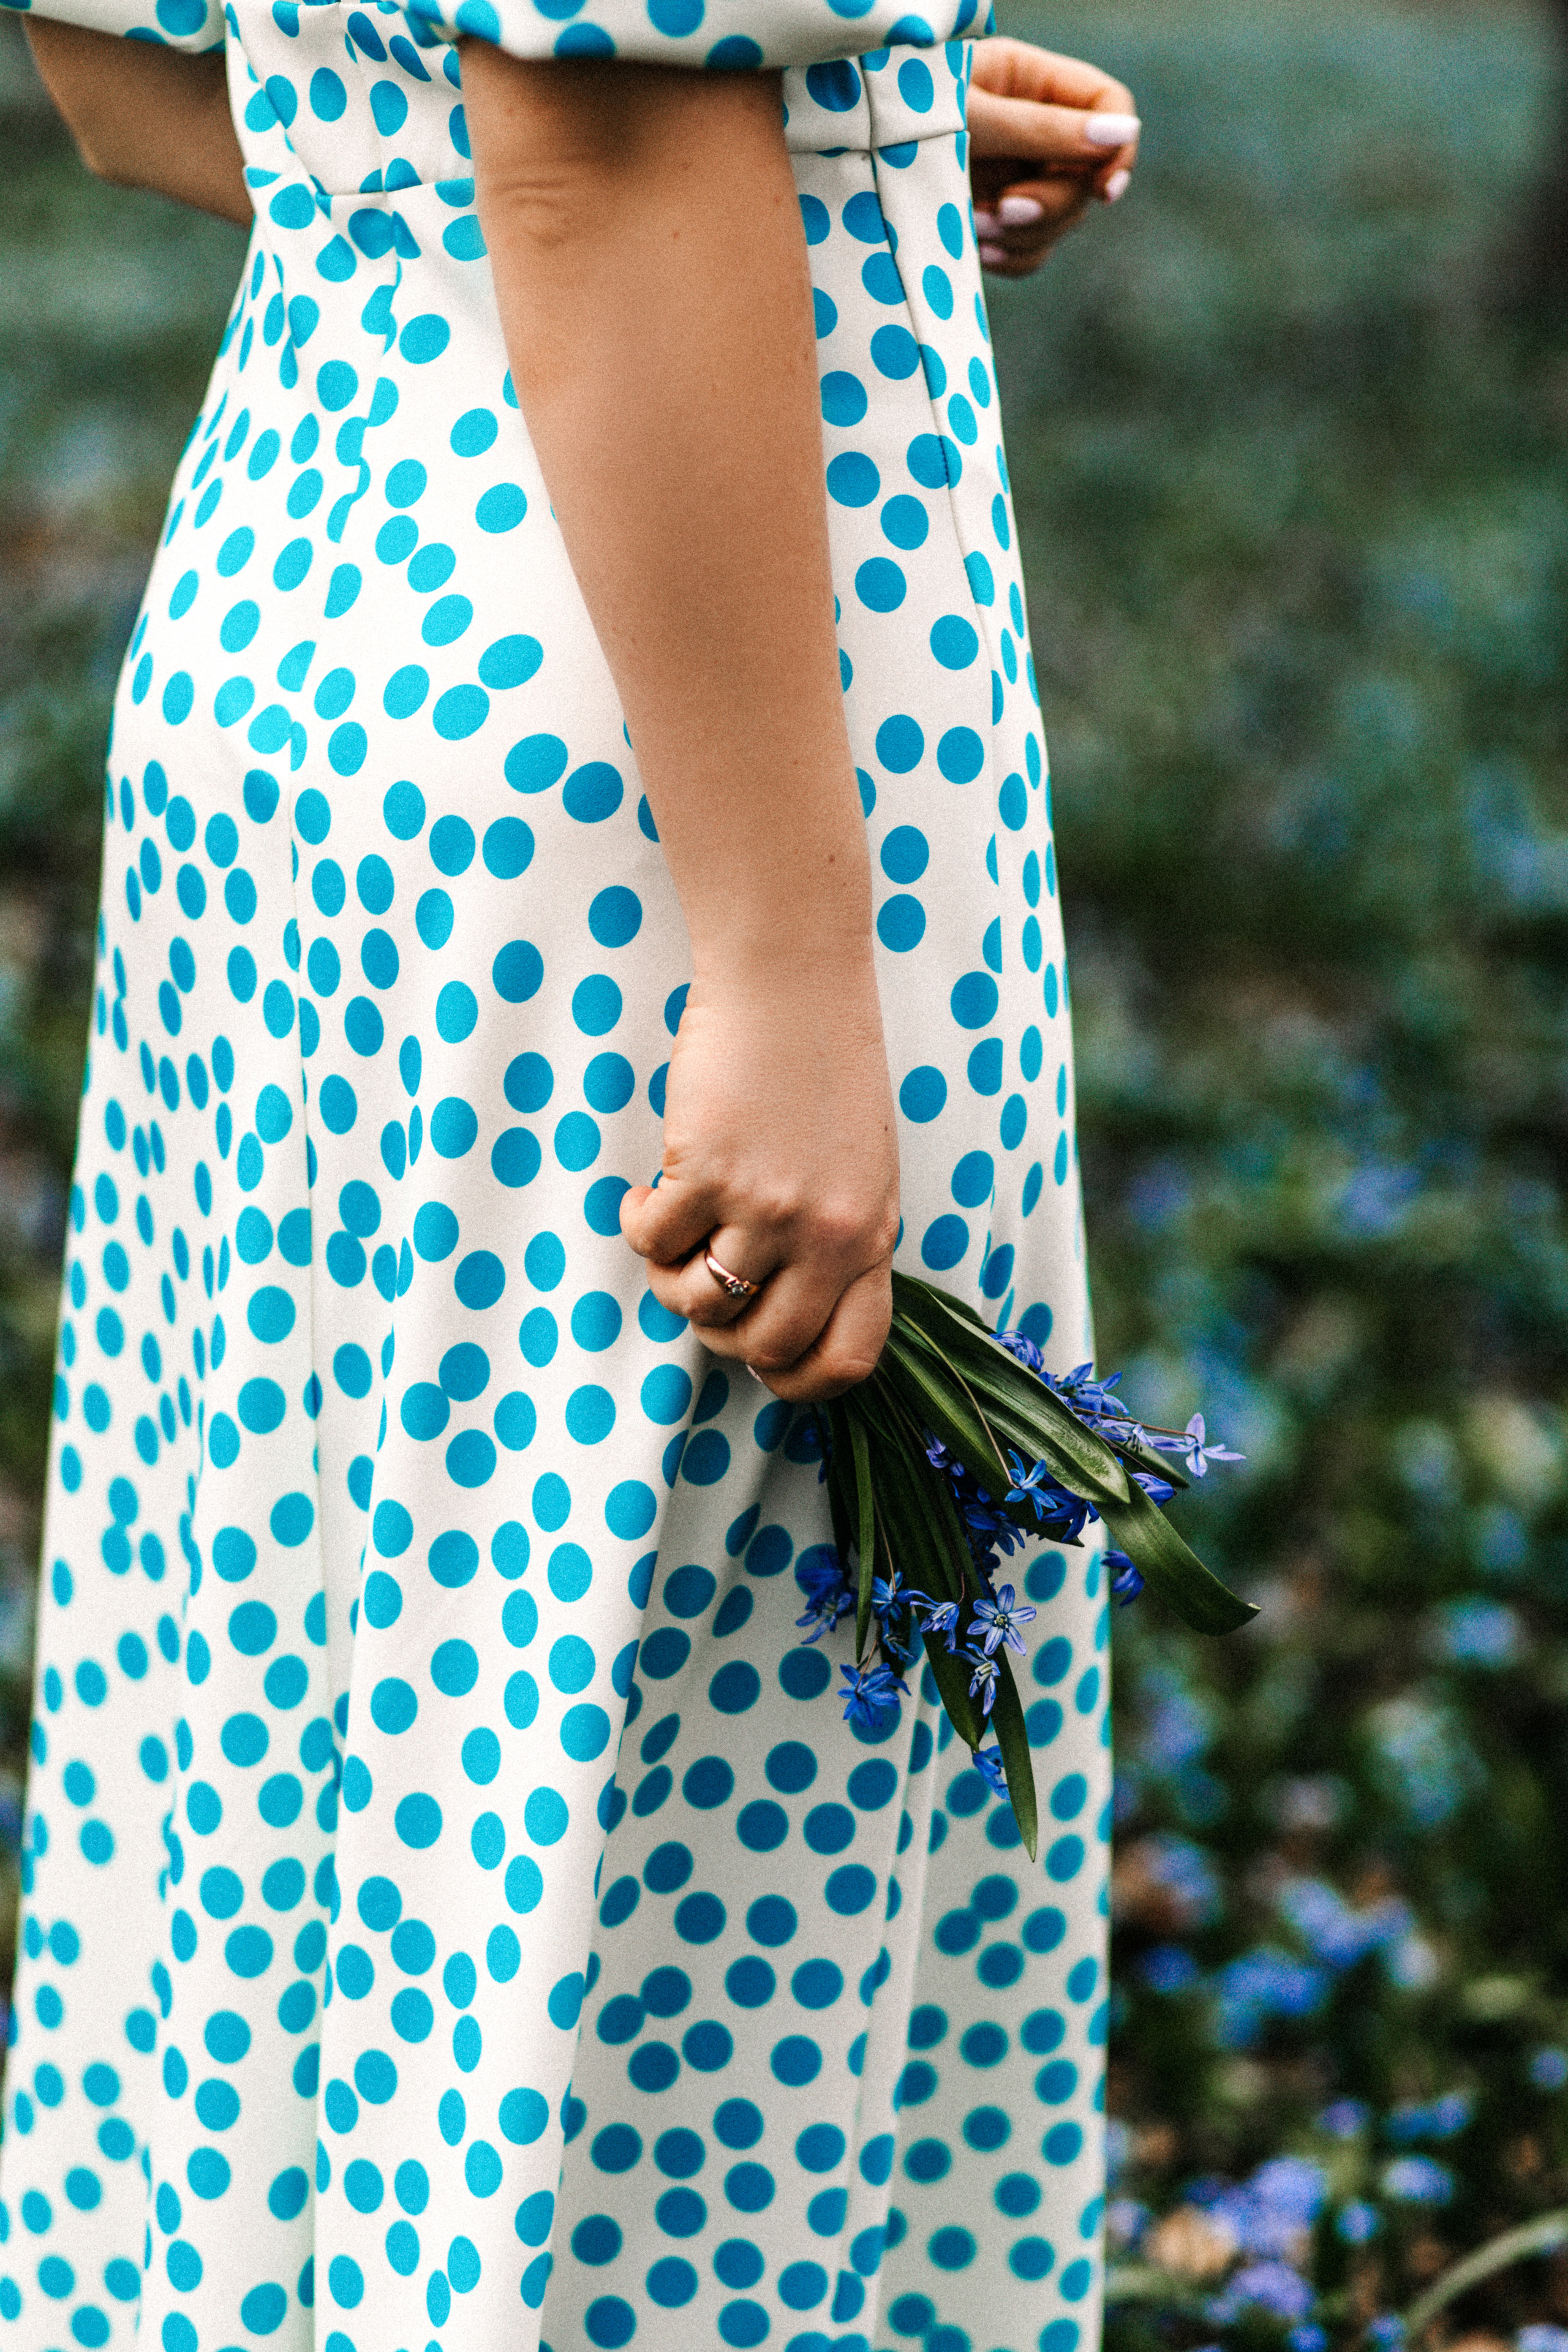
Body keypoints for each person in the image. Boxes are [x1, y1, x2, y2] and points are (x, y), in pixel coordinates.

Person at [2, 0, 1137, 2341]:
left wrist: (856, 132)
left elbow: (131, 80)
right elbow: (596, 142)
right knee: (663, 1862)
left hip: (330, 674)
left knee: (335, 1782)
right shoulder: (745, 887)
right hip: (643, 800)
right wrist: (792, 959)